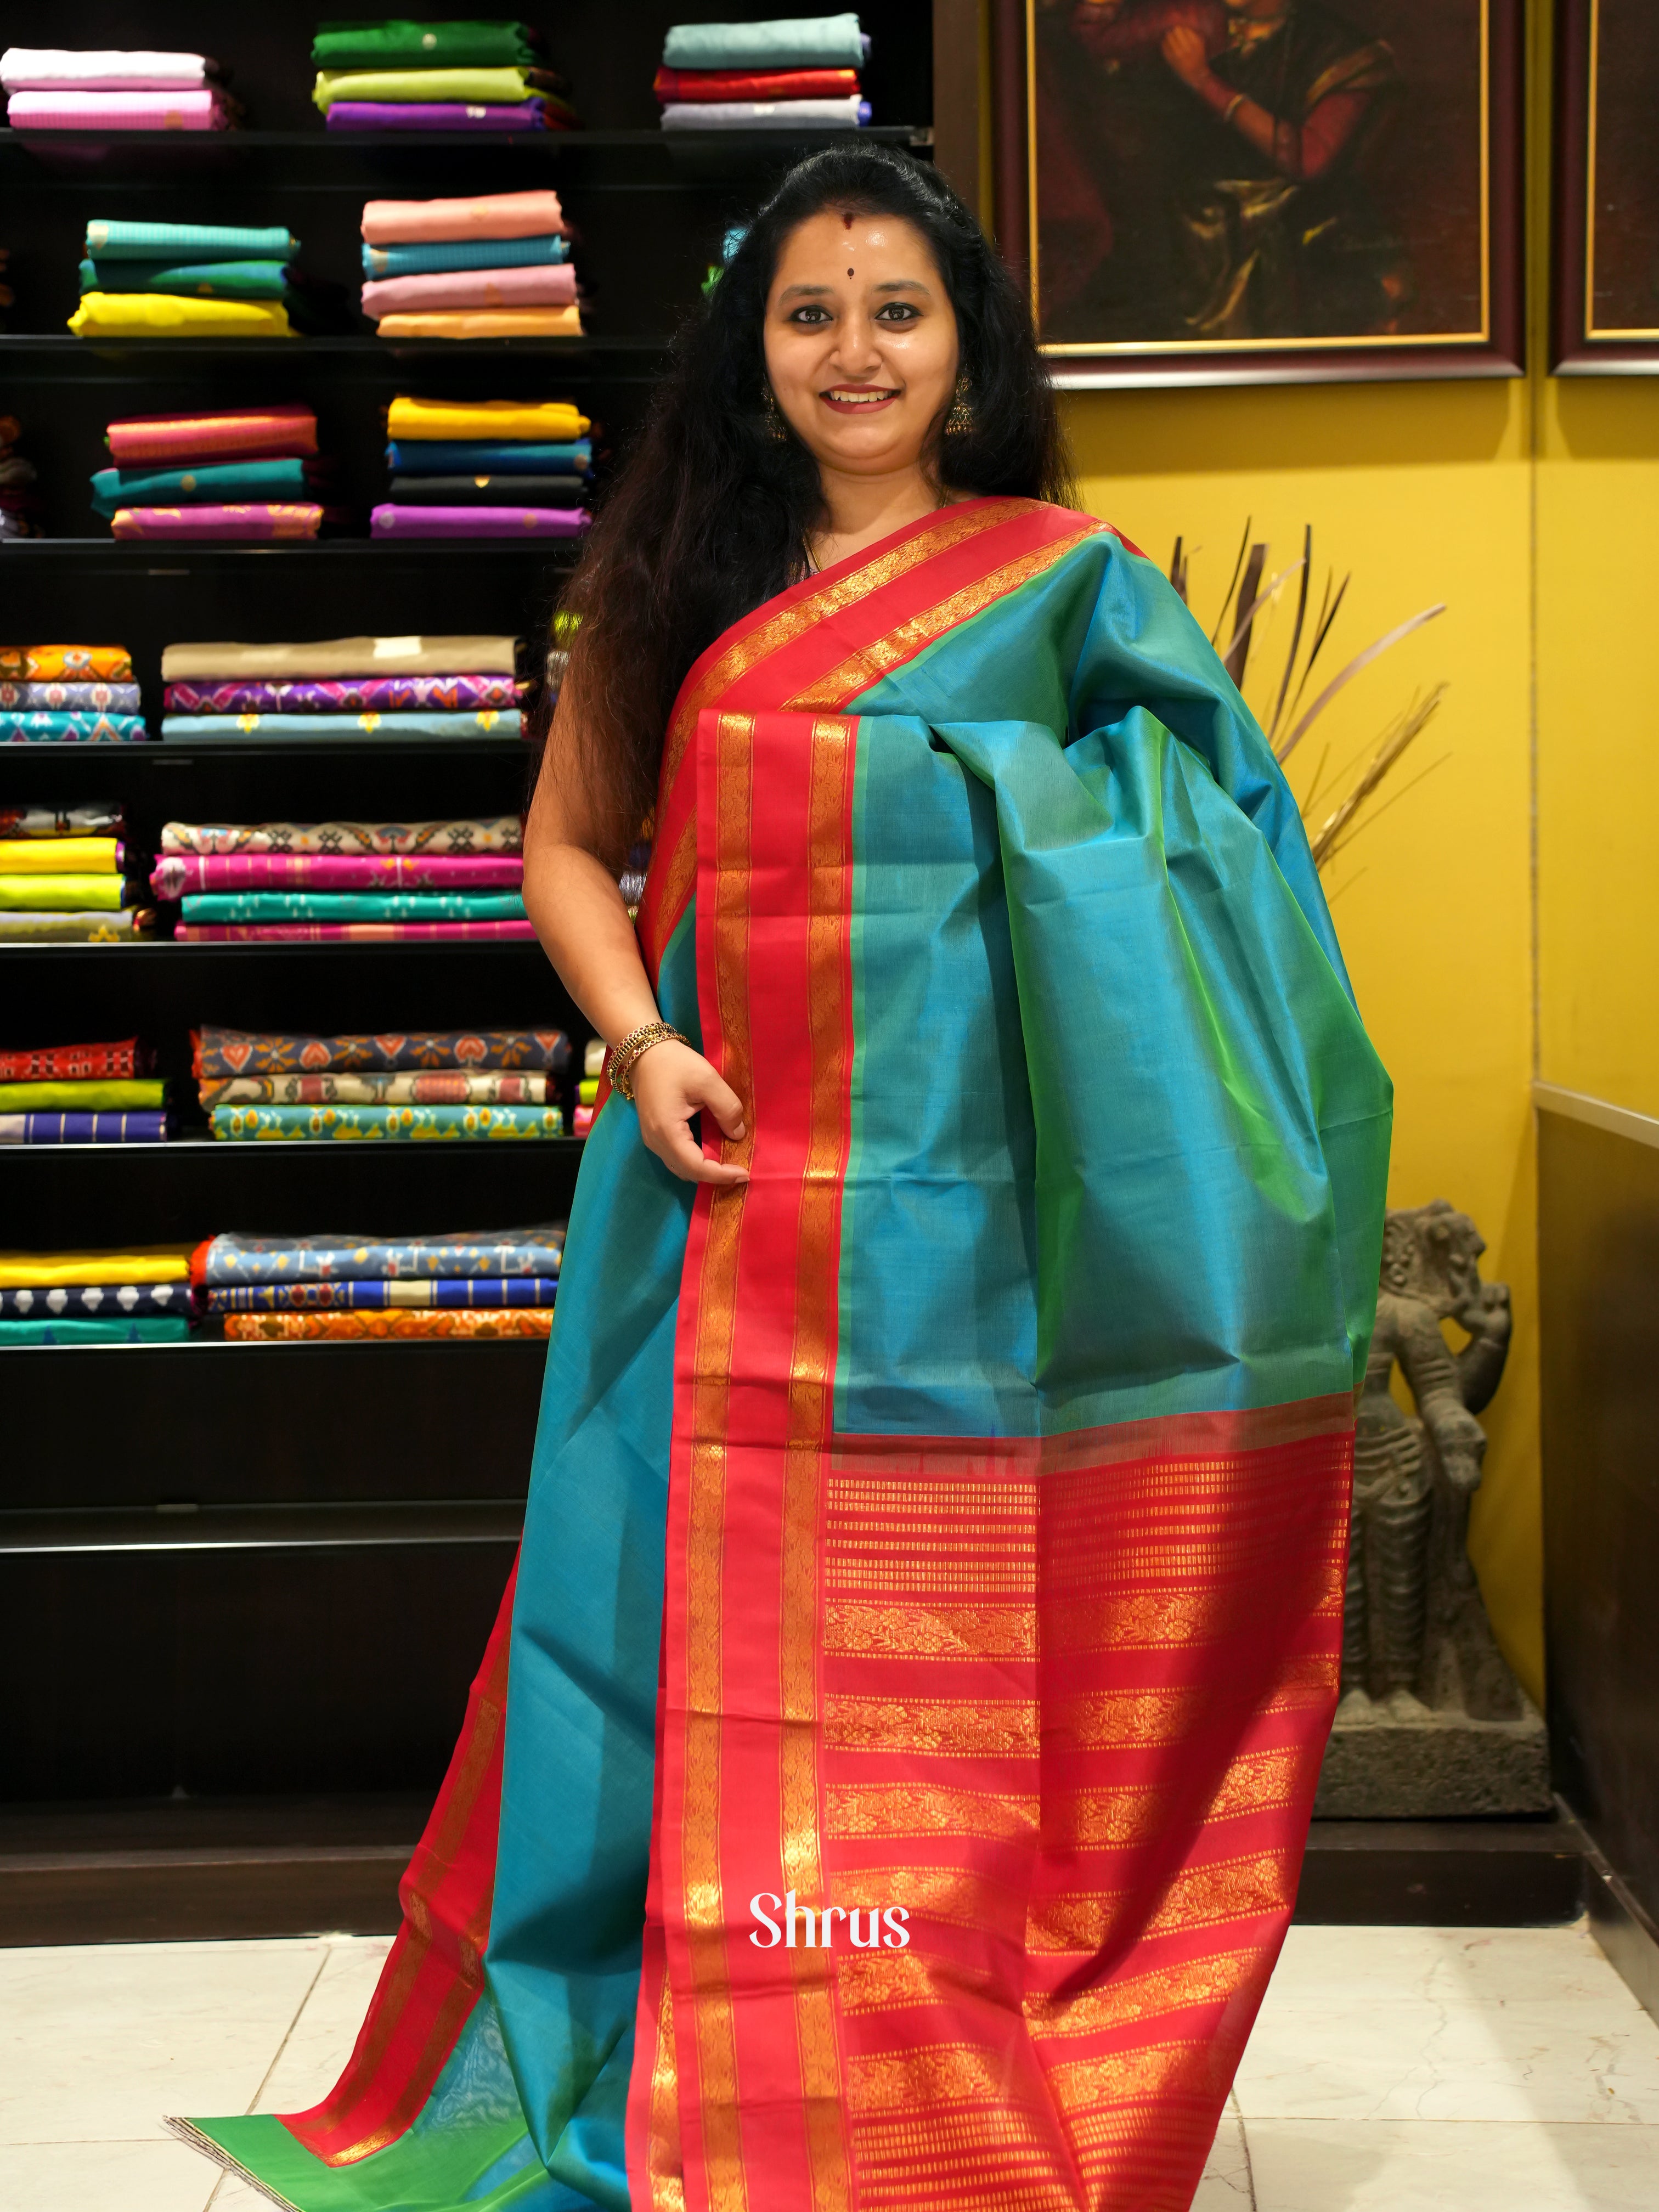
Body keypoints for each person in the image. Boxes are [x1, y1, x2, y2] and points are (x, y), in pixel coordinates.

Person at [172, 145, 1391, 2212]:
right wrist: (639, 1049)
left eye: (897, 310)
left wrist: (1042, 809)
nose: (855, 351)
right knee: (657, 1646)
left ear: (969, 350)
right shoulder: (676, 589)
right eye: (812, 312)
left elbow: (1216, 847)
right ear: (753, 351)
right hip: (719, 1202)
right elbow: (566, 847)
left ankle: (917, 2041)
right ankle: (680, 2052)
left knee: (962, 1648)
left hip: (989, 1238)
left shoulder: (1060, 588)